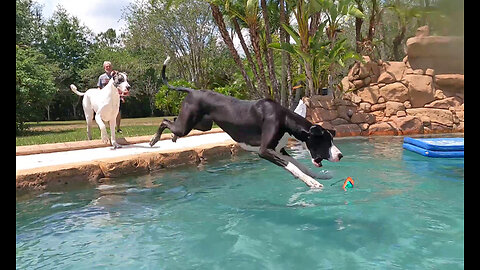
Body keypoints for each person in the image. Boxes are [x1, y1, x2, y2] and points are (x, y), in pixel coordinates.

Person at [97, 61, 125, 133]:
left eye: (109, 66)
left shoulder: (116, 76)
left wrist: (121, 96)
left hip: (116, 97)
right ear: (104, 68)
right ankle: (103, 129)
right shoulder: (101, 77)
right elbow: (99, 87)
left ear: (111, 67)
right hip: (105, 98)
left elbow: (120, 86)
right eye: (106, 66)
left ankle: (118, 128)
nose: (108, 68)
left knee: (118, 112)